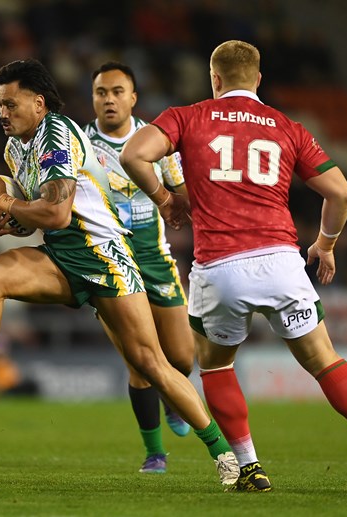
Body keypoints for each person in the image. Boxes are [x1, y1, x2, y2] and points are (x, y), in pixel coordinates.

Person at [120, 40, 347, 493]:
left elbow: (133, 155)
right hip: (281, 261)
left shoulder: (188, 116)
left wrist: (166, 201)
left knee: (217, 367)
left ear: (214, 78)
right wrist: (326, 244)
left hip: (219, 267)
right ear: (259, 79)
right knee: (324, 359)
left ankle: (249, 466)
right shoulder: (287, 126)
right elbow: (341, 193)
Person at [0, 59, 238, 487]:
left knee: (153, 364)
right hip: (62, 257)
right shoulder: (16, 149)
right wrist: (4, 224)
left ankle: (225, 455)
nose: (2, 113)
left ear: (38, 101)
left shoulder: (57, 133)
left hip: (105, 258)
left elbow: (59, 212)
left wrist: (5, 203)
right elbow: (36, 218)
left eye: (10, 104)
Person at [83, 61, 193, 475]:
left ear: (133, 97)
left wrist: (178, 199)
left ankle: (173, 394)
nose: (108, 99)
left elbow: (181, 192)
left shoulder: (158, 142)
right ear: (93, 97)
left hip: (155, 259)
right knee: (140, 363)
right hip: (110, 263)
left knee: (181, 358)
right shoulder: (80, 143)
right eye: (100, 92)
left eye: (116, 91)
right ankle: (155, 453)